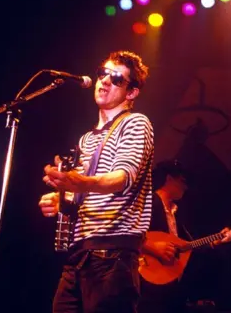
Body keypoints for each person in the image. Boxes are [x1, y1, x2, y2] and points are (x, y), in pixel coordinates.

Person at [38, 51, 154, 313]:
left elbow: (122, 178)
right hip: (79, 255)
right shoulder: (86, 139)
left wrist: (79, 183)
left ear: (132, 93)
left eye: (116, 79)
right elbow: (84, 192)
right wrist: (61, 200)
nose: (104, 81)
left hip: (112, 255)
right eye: (103, 73)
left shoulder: (135, 123)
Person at [138, 159, 231, 313]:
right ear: (169, 178)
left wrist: (215, 241)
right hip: (148, 282)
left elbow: (185, 246)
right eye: (182, 181)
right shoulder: (149, 203)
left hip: (171, 283)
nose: (185, 187)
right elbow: (130, 234)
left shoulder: (177, 212)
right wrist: (152, 248)